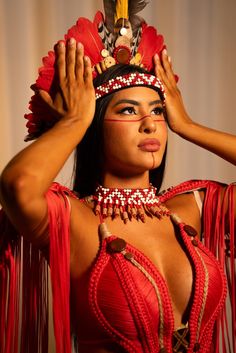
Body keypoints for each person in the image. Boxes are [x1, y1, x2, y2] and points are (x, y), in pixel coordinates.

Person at [0, 1, 235, 353]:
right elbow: (17, 185)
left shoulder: (191, 210)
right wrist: (74, 122)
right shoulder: (75, 221)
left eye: (157, 110)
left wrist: (188, 125)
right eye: (128, 110)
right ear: (94, 128)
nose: (151, 123)